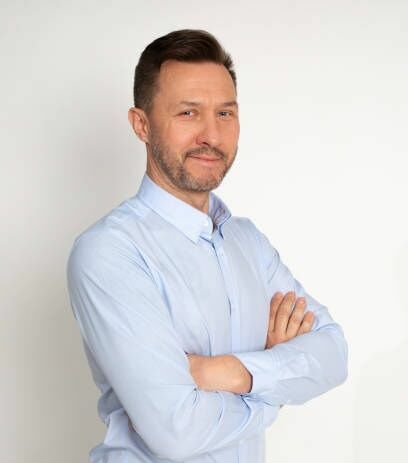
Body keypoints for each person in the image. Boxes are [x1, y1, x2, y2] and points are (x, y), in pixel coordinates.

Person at [67, 29, 348, 463]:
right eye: (188, 113)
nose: (211, 135)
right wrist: (275, 382)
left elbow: (333, 354)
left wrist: (230, 372)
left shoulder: (248, 243)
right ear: (141, 124)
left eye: (225, 113)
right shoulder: (110, 252)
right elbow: (177, 432)